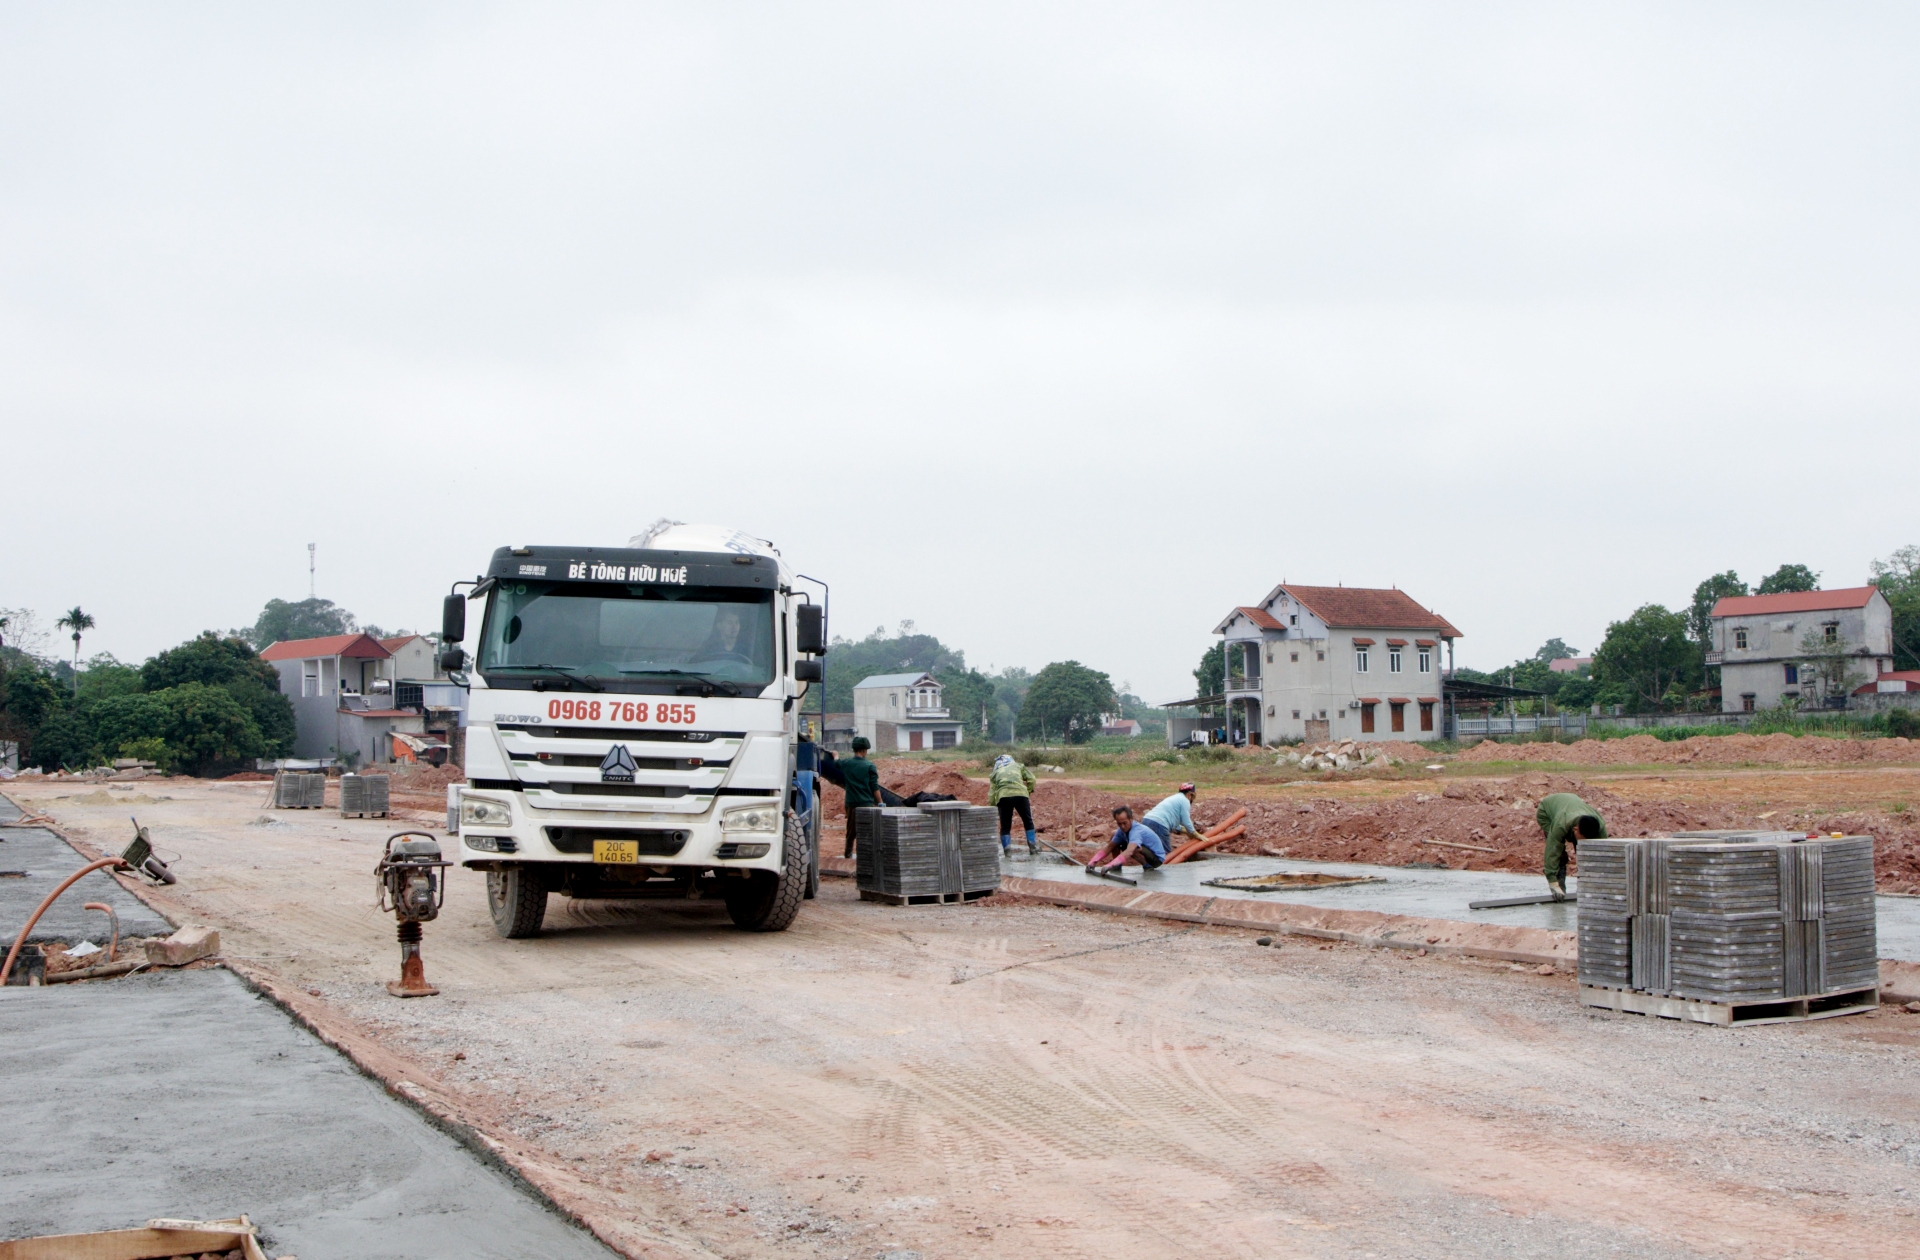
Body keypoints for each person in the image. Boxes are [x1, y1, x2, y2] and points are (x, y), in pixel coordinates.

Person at [1536, 791, 1606, 899]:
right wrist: (1552, 882)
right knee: (1559, 854)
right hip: (1547, 811)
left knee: (1583, 851)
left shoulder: (1599, 826)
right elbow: (1552, 851)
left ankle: (1583, 884)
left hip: (1571, 807)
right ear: (1575, 829)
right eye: (1582, 839)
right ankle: (1559, 886)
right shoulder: (1560, 825)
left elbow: (1603, 851)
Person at [1088, 804, 1170, 873]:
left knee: (1133, 848)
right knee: (1114, 835)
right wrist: (1093, 861)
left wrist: (1110, 865)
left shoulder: (1136, 831)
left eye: (1125, 823)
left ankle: (1148, 866)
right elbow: (1110, 847)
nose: (1122, 826)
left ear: (1131, 819)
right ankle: (1117, 865)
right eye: (1119, 824)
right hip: (1145, 851)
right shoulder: (1121, 830)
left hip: (1156, 859)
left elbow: (1130, 851)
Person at [989, 753, 1039, 857]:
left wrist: (994, 805)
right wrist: (1027, 792)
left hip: (1003, 796)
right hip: (1020, 794)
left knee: (1005, 826)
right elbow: (1032, 779)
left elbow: (992, 792)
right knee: (1028, 821)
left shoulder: (996, 772)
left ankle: (1007, 852)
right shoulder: (1018, 766)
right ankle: (1033, 848)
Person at [839, 736, 882, 858]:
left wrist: (836, 755)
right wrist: (880, 802)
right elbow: (874, 787)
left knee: (851, 832)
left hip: (851, 804)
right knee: (865, 831)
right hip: (866, 804)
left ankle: (847, 855)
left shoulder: (846, 763)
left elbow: (836, 763)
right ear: (864, 751)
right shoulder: (869, 766)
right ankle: (864, 856)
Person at [1140, 782, 1204, 853]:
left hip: (1146, 820)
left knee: (1150, 850)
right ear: (1190, 794)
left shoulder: (1174, 798)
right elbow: (1186, 821)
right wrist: (1196, 834)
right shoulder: (1185, 801)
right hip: (1159, 825)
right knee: (1165, 853)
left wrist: (1184, 830)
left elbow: (1172, 820)